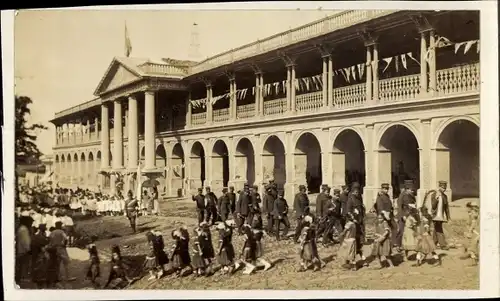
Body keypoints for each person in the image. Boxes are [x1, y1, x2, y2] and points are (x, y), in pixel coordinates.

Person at [395, 180, 417, 251]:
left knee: (409, 230)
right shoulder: (403, 195)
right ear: (407, 188)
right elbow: (400, 206)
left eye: (412, 189)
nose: (412, 191)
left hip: (409, 215)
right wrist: (403, 215)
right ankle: (398, 245)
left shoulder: (410, 195)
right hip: (403, 215)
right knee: (401, 230)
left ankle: (406, 244)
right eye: (411, 189)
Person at [429, 181, 451, 250]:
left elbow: (446, 208)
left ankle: (433, 244)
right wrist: (436, 199)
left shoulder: (445, 196)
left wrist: (448, 217)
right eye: (442, 187)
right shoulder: (434, 194)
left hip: (441, 216)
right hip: (435, 216)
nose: (443, 189)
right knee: (439, 230)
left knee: (436, 230)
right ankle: (443, 245)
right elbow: (433, 206)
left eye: (445, 188)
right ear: (439, 187)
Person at [15, 211, 32, 284]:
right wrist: (29, 249)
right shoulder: (24, 229)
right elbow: (25, 242)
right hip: (23, 251)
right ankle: (20, 280)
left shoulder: (21, 228)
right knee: (22, 266)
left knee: (20, 266)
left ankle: (19, 279)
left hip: (21, 250)